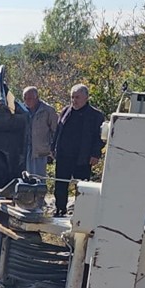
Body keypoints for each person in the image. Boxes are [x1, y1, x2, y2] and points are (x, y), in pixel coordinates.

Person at [51, 83, 105, 217]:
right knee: (60, 185)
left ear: (86, 98)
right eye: (72, 97)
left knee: (82, 187)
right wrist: (53, 148)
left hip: (83, 158)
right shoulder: (65, 111)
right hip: (64, 156)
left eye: (77, 97)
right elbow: (58, 131)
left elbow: (100, 138)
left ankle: (81, 213)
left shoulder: (96, 115)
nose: (74, 100)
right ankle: (60, 210)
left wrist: (95, 154)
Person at [21, 86, 58, 180]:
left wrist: (52, 149)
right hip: (25, 150)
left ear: (37, 98)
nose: (27, 101)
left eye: (29, 98)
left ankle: (39, 194)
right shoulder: (21, 110)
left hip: (40, 151)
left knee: (39, 179)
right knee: (25, 178)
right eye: (25, 98)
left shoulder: (48, 110)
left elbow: (56, 131)